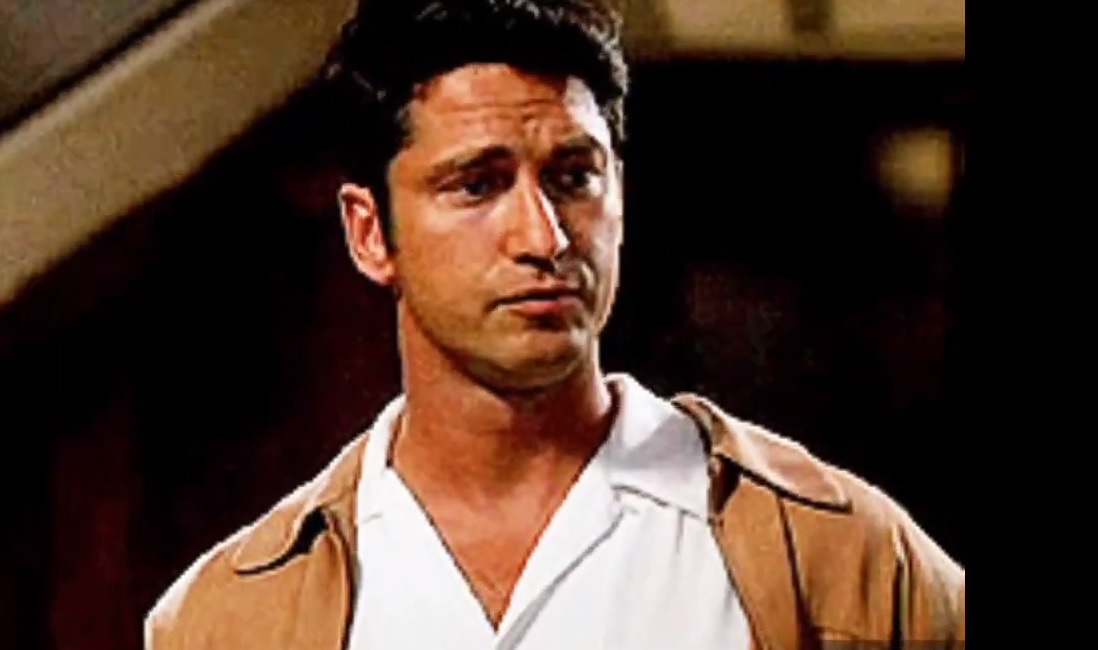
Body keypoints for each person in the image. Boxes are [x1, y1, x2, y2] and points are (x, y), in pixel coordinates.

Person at [145, 1, 965, 648]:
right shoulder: (233, 619)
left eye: (574, 177)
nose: (544, 236)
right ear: (370, 233)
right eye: (477, 185)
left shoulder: (834, 558)